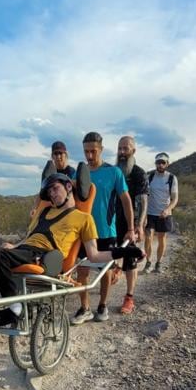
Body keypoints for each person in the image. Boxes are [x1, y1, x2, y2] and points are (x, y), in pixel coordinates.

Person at [0, 172, 142, 328]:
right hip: (25, 250)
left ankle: (13, 308)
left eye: (55, 188)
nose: (52, 194)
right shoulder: (44, 211)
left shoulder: (84, 218)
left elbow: (94, 254)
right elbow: (30, 237)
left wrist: (126, 251)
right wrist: (14, 247)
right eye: (49, 191)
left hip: (46, 256)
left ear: (69, 187)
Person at [71, 132, 136, 324]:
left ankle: (102, 305)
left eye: (93, 151)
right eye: (86, 152)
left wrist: (131, 228)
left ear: (101, 150)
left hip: (106, 231)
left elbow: (126, 201)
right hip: (83, 232)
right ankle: (85, 308)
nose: (89, 156)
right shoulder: (79, 174)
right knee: (81, 271)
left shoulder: (113, 172)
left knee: (105, 271)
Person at [115, 136, 148, 314]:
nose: (121, 152)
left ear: (133, 151)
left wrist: (140, 225)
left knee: (130, 261)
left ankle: (129, 297)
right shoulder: (114, 171)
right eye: (119, 148)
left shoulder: (138, 173)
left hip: (132, 223)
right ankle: (117, 269)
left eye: (125, 149)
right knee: (112, 253)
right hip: (114, 222)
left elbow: (143, 201)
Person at [144, 152, 178, 273]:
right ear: (155, 163)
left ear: (167, 164)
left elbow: (175, 198)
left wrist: (168, 209)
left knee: (161, 238)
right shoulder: (149, 177)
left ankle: (158, 263)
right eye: (158, 162)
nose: (160, 165)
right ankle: (148, 263)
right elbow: (144, 195)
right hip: (150, 212)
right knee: (148, 237)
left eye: (163, 162)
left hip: (164, 213)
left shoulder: (171, 178)